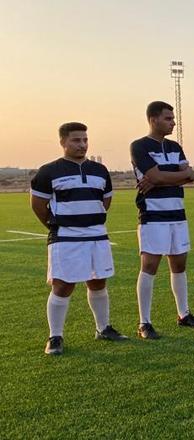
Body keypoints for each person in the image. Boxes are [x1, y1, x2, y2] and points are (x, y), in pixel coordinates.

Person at [31, 122, 128, 355]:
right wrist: (60, 225)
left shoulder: (100, 170)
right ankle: (55, 336)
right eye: (76, 140)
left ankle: (103, 328)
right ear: (63, 142)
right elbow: (38, 206)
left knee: (98, 282)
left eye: (85, 140)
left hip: (97, 236)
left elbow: (105, 201)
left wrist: (90, 220)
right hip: (66, 238)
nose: (82, 144)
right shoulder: (49, 171)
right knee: (62, 286)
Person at [131, 101, 194, 339]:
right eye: (168, 119)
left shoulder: (175, 146)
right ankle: (144, 322)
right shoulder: (139, 146)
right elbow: (155, 175)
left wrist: (161, 178)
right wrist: (166, 177)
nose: (173, 122)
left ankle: (183, 314)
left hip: (178, 214)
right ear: (153, 119)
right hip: (153, 215)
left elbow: (191, 175)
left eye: (173, 118)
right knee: (150, 266)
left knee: (179, 264)